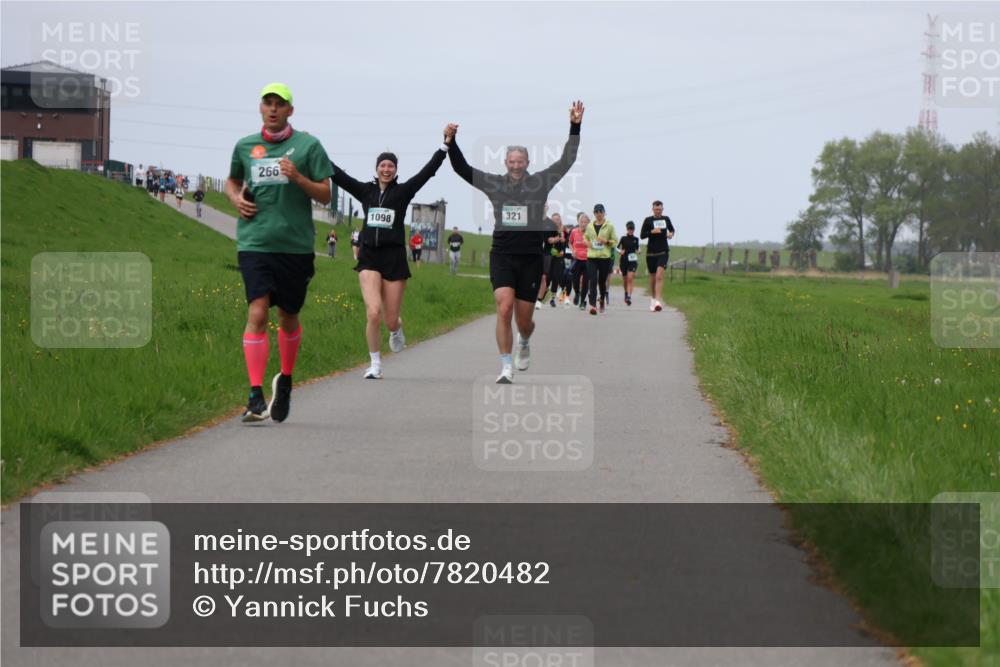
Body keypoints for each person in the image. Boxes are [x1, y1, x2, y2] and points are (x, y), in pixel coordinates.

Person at [447, 102, 584, 383]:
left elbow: (567, 160)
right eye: (512, 161)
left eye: (520, 161)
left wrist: (575, 126)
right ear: (505, 163)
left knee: (524, 320)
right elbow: (462, 169)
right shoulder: (495, 184)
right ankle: (505, 366)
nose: (516, 165)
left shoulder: (541, 182)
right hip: (503, 255)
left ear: (527, 163)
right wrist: (451, 142)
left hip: (531, 258)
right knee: (504, 307)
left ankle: (524, 340)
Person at [225, 82, 333, 422]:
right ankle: (255, 395)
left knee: (288, 316)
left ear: (290, 110)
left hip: (295, 246)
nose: (272, 108)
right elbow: (231, 181)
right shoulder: (245, 146)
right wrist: (235, 198)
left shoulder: (308, 146)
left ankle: (285, 379)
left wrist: (298, 176)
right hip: (255, 242)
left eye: (279, 104)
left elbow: (325, 194)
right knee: (257, 312)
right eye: (267, 103)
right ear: (260, 108)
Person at [330, 131, 450, 379]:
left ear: (395, 170)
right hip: (370, 257)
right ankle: (375, 364)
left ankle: (396, 330)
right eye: (383, 165)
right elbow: (338, 175)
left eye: (391, 166)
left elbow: (427, 172)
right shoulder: (365, 192)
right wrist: (314, 150)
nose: (386, 169)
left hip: (394, 258)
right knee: (373, 312)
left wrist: (444, 146)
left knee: (390, 319)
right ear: (376, 169)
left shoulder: (403, 192)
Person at [640, 199, 676, 312]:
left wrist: (671, 234)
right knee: (653, 277)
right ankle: (653, 298)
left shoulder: (666, 219)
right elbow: (642, 235)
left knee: (659, 276)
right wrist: (651, 232)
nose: (658, 211)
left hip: (663, 252)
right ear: (653, 209)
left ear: (662, 209)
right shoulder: (648, 220)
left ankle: (658, 301)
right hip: (651, 252)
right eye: (656, 209)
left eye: (660, 209)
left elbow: (672, 230)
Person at [584, 203, 617, 314]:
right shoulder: (589, 226)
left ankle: (602, 300)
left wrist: (606, 241)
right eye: (596, 212)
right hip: (592, 257)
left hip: (604, 257)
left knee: (601, 281)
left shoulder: (610, 226)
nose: (598, 214)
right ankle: (593, 305)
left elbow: (615, 242)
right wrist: (587, 243)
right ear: (594, 213)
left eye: (600, 212)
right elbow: (585, 238)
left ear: (604, 213)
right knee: (592, 280)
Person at [542, 212, 565, 307]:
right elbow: (549, 240)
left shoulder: (563, 230)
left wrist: (563, 246)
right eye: (554, 219)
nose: (556, 221)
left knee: (556, 277)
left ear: (560, 220)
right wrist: (558, 238)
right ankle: (541, 296)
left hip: (559, 257)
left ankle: (552, 299)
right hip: (548, 255)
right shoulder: (548, 228)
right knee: (547, 277)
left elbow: (566, 243)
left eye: (557, 219)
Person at [569, 212, 590, 310]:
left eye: (585, 222)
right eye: (581, 222)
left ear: (588, 223)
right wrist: (572, 251)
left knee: (585, 282)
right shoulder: (574, 232)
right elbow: (569, 242)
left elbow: (594, 244)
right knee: (575, 281)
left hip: (587, 260)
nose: (583, 224)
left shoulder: (591, 233)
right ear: (578, 222)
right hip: (576, 259)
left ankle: (582, 302)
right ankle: (577, 293)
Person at [617, 220, 640, 306]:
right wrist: (620, 251)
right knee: (625, 279)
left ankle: (629, 297)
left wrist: (638, 251)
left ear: (634, 229)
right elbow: (617, 247)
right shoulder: (623, 238)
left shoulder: (636, 239)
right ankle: (626, 293)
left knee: (630, 278)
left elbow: (638, 248)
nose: (631, 230)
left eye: (632, 229)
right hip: (624, 260)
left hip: (633, 260)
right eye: (629, 229)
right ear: (627, 229)